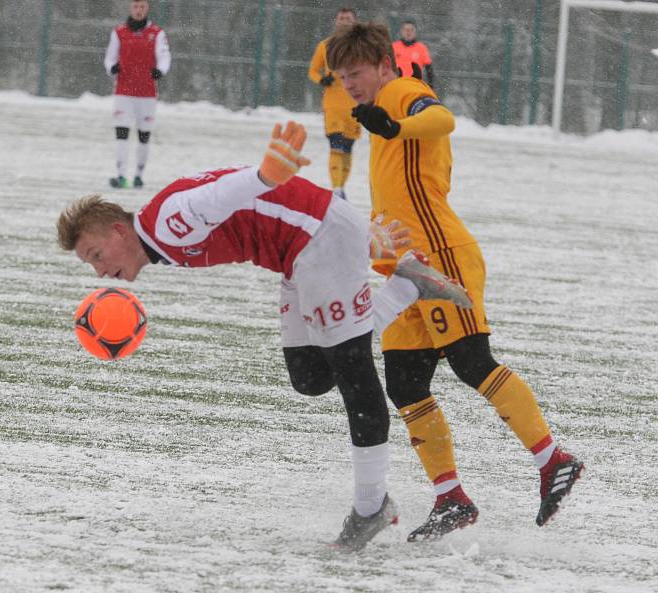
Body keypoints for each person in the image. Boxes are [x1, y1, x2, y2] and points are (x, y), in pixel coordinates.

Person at [57, 121, 473, 551]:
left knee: (355, 374)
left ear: (118, 231)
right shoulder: (159, 227)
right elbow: (243, 198)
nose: (101, 272)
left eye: (96, 255)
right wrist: (357, 233)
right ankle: (407, 284)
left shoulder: (165, 225)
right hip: (300, 251)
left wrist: (265, 175)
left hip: (317, 241)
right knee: (311, 377)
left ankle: (371, 509)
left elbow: (219, 195)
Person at [327, 23, 583, 541]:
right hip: (404, 270)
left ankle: (553, 458)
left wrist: (395, 126)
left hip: (441, 256)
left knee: (471, 362)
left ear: (382, 64)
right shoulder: (379, 108)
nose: (349, 85)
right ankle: (451, 498)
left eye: (354, 74)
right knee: (404, 383)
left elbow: (442, 119)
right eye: (341, 77)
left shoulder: (402, 92)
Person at [104, 0, 171, 190]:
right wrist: (112, 68)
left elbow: (165, 56)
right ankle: (121, 175)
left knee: (143, 134)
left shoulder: (157, 34)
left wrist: (161, 70)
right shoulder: (119, 32)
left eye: (142, 7)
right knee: (122, 132)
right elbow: (109, 57)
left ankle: (139, 175)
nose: (139, 10)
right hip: (123, 92)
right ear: (130, 8)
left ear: (147, 8)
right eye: (135, 7)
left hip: (146, 93)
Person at [307, 7, 360, 201]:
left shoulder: (361, 46)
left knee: (347, 149)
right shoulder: (325, 46)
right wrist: (322, 80)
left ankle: (341, 186)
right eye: (341, 18)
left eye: (348, 18)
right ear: (336, 22)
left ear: (354, 22)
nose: (345, 21)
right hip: (333, 105)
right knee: (336, 145)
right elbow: (313, 70)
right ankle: (336, 188)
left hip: (355, 105)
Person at [392, 19, 435, 88]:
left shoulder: (421, 48)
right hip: (397, 85)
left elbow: (429, 69)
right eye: (406, 30)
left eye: (411, 30)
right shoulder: (394, 47)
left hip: (415, 86)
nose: (409, 32)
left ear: (415, 32)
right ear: (402, 31)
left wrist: (431, 85)